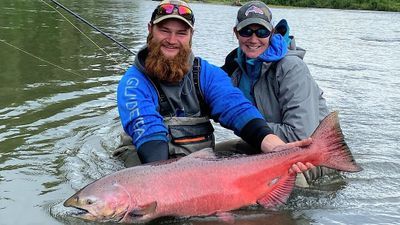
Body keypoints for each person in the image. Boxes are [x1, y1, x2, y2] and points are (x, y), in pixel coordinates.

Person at [114, 0, 313, 175]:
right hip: (148, 161)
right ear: (150, 30)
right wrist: (166, 185)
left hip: (193, 161)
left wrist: (275, 147)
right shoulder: (133, 83)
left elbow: (236, 109)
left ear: (191, 35)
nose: (172, 40)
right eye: (164, 30)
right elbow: (149, 134)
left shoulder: (207, 74)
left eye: (181, 33)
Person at [220, 1, 335, 187]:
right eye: (246, 32)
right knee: (212, 158)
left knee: (291, 185)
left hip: (311, 156)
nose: (254, 39)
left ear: (271, 33)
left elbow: (300, 137)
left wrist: (245, 124)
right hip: (269, 148)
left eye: (262, 32)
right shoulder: (234, 68)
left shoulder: (292, 68)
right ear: (236, 33)